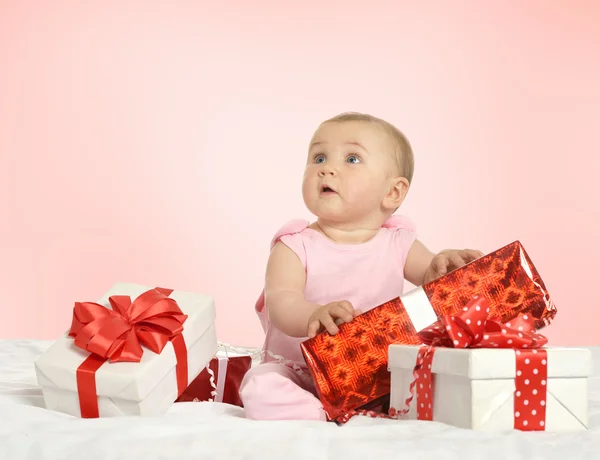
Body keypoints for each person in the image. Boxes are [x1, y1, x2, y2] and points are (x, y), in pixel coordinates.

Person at [239, 112, 483, 421]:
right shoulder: (295, 244)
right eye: (318, 157)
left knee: (425, 378)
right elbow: (282, 303)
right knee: (261, 387)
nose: (327, 168)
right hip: (301, 373)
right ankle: (323, 412)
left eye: (352, 159)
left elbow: (431, 278)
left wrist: (444, 265)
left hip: (372, 373)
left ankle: (361, 406)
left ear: (392, 192)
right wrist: (314, 314)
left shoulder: (398, 242)